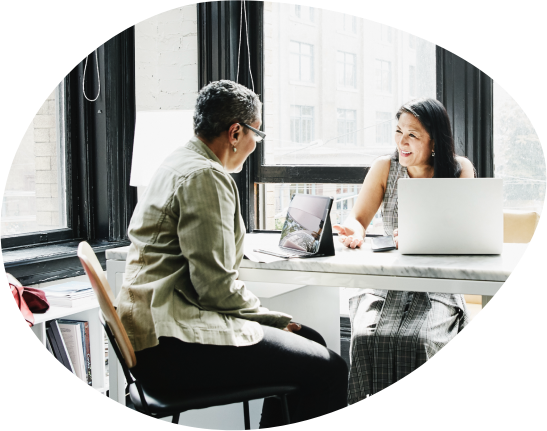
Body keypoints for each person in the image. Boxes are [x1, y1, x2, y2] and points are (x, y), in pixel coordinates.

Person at [115, 80, 348, 427]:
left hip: (149, 339)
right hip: (172, 346)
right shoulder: (206, 175)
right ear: (236, 132)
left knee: (308, 341)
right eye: (258, 133)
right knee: (330, 368)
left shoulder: (177, 161)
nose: (256, 143)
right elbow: (215, 287)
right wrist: (273, 319)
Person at [333, 98, 475, 403]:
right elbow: (358, 219)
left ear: (434, 140)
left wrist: (423, 236)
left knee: (421, 340)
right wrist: (354, 232)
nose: (402, 142)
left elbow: (465, 233)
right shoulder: (385, 167)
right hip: (388, 282)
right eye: (398, 131)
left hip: (437, 283)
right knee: (366, 338)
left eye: (413, 135)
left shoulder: (459, 169)